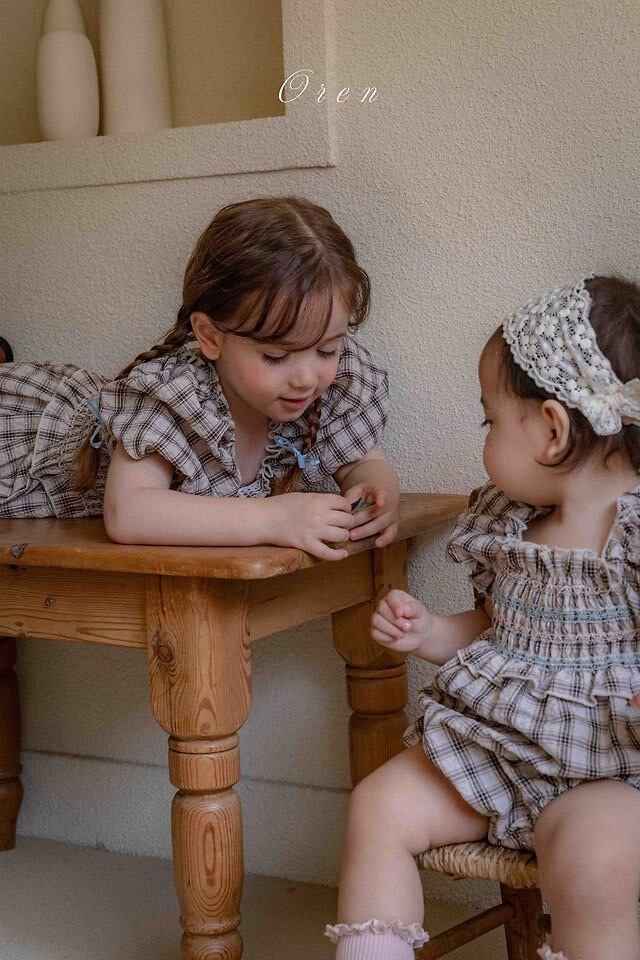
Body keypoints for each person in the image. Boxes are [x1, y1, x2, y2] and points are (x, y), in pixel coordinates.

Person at [327, 274, 640, 960]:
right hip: (492, 754)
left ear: (552, 431)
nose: (486, 437)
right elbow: (498, 631)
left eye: (490, 420)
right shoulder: (507, 525)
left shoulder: (633, 537)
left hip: (610, 770)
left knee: (595, 864)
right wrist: (431, 633)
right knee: (379, 805)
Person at [0, 196, 399, 558]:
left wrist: (377, 494)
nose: (306, 378)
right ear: (210, 337)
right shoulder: (176, 397)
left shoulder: (326, 391)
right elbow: (128, 513)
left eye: (327, 350)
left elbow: (362, 462)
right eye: (276, 356)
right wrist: (271, 519)